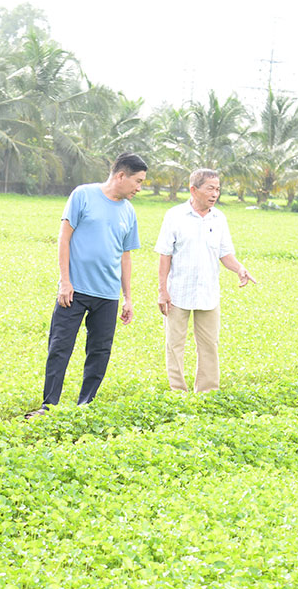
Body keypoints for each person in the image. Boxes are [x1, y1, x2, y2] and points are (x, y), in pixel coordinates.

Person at [32, 152, 147, 414]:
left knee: (100, 351)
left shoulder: (128, 212)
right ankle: (49, 405)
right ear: (121, 176)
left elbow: (125, 256)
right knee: (60, 347)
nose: (139, 188)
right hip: (74, 290)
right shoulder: (82, 195)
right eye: (137, 181)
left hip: (107, 295)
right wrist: (65, 281)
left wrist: (128, 297)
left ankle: (86, 405)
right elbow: (64, 238)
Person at [155, 168, 256, 392]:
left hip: (208, 292)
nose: (215, 194)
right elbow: (165, 255)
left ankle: (208, 392)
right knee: (175, 345)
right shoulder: (174, 216)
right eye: (210, 188)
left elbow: (224, 253)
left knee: (209, 344)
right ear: (194, 189)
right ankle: (178, 391)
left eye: (218, 189)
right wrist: (163, 291)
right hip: (178, 292)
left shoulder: (219, 218)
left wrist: (239, 268)